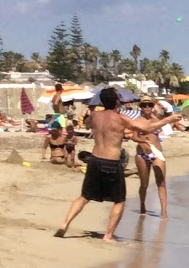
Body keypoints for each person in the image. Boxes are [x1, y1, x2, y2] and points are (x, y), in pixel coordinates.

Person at [55, 88, 176, 242]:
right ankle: (108, 235)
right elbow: (145, 128)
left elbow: (86, 124)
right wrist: (168, 120)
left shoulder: (94, 116)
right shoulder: (121, 118)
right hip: (112, 162)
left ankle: (65, 224)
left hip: (95, 160)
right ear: (117, 101)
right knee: (119, 200)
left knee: (85, 196)